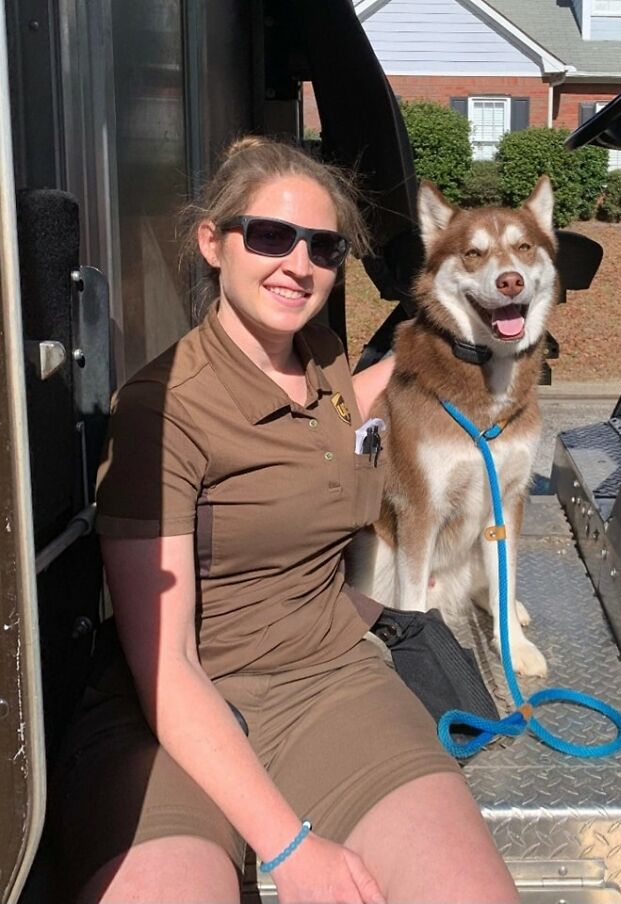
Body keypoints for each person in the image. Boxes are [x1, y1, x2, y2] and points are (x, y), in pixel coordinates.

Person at [51, 136, 519, 904]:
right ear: (213, 242)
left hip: (330, 680)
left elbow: (351, 409)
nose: (298, 264)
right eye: (269, 236)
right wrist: (293, 848)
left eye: (323, 246)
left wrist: (466, 347)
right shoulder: (162, 410)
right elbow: (166, 669)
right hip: (179, 710)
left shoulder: (322, 352)